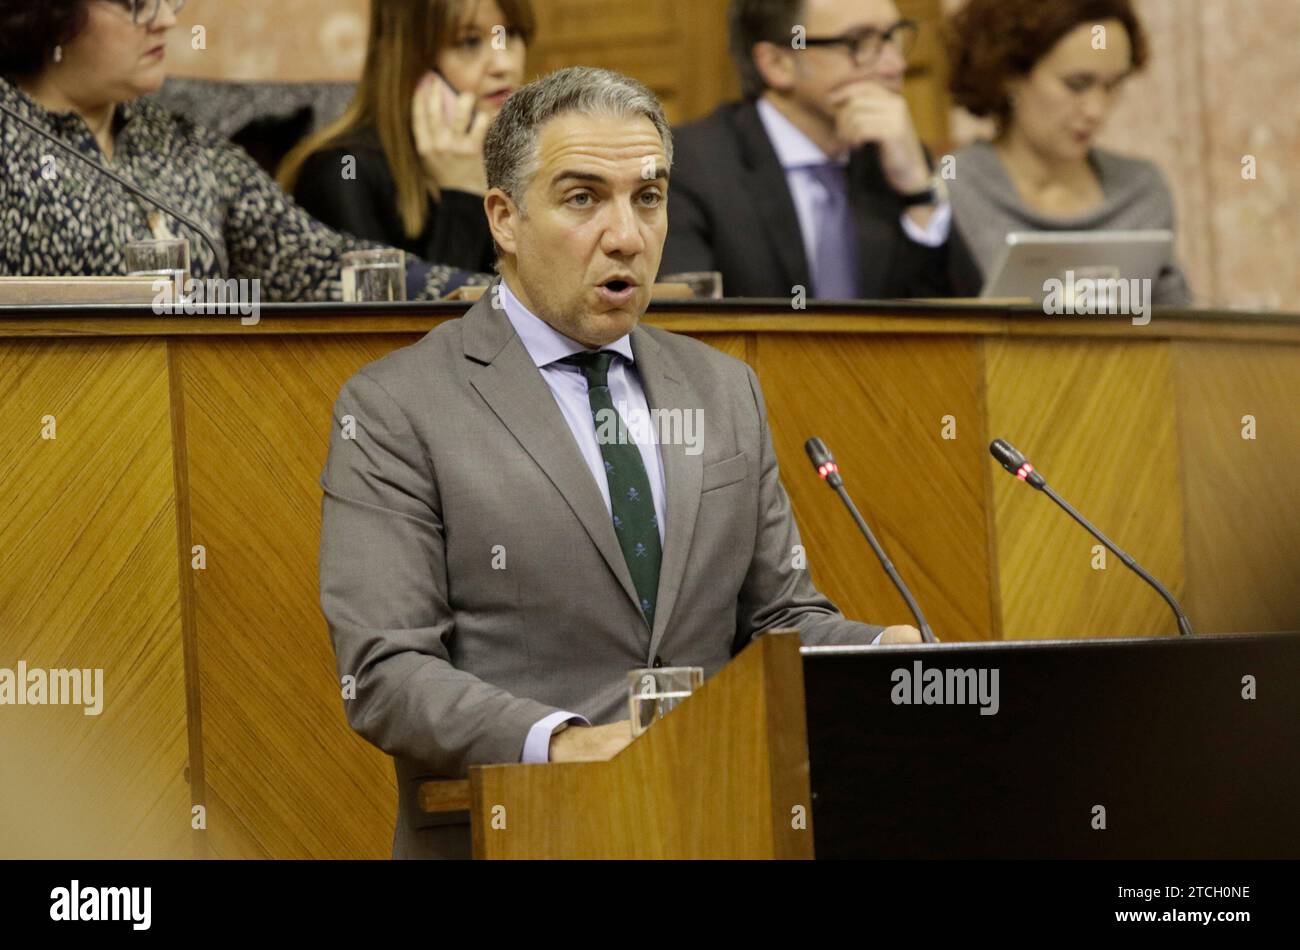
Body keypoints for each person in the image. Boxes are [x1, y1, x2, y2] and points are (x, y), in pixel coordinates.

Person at [319, 66, 923, 860]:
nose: (628, 236)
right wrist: (564, 743)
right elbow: (387, 672)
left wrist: (880, 654)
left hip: (718, 823)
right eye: (582, 199)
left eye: (647, 197)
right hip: (517, 832)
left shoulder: (721, 388)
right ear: (503, 217)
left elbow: (776, 622)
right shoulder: (399, 406)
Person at [0, 0, 482, 300]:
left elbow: (317, 264)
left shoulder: (184, 143)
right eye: (137, 4)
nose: (167, 19)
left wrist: (488, 295)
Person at [661, 0, 979, 300]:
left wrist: (918, 190)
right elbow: (688, 329)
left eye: (893, 37)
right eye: (860, 42)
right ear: (777, 63)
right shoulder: (691, 167)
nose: (896, 65)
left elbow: (965, 323)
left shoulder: (895, 157)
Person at [944, 0, 1193, 305]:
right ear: (1009, 76)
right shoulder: (953, 188)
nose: (1096, 110)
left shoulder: (1141, 190)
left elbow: (1178, 332)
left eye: (1112, 86)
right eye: (1077, 84)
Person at [281, 0, 534, 273]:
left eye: (509, 34)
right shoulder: (342, 171)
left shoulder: (525, 156)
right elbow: (412, 315)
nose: (504, 63)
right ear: (409, 61)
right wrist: (461, 200)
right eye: (469, 42)